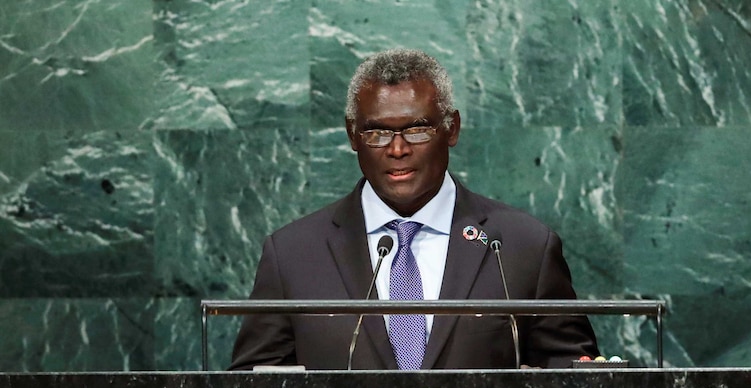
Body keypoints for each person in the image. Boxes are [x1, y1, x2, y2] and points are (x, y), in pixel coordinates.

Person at [229, 48, 599, 370]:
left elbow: (572, 379)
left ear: (451, 128)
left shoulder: (523, 247)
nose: (397, 149)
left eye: (417, 129)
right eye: (377, 133)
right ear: (352, 136)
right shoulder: (293, 254)